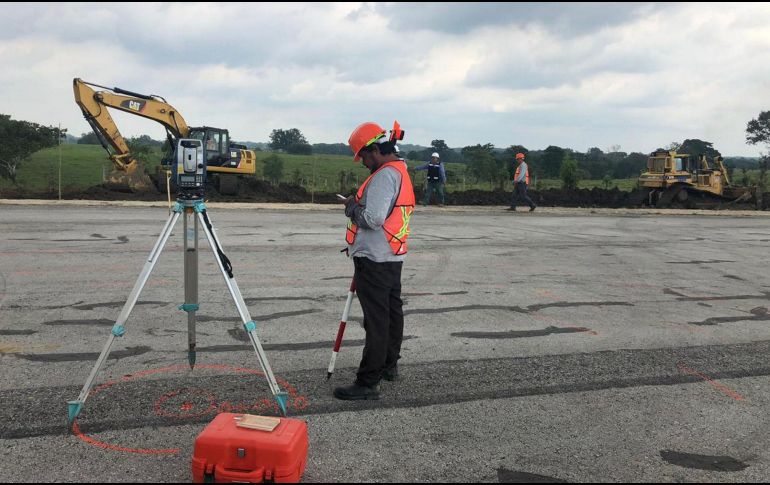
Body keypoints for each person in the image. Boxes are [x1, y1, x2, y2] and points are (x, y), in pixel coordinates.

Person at [335, 121, 415, 401]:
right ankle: (389, 365)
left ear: (375, 150)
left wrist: (351, 208)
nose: (364, 163)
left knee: (377, 321)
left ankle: (368, 381)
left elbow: (372, 219)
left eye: (364, 156)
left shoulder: (384, 176)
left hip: (376, 260)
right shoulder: (401, 170)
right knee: (391, 315)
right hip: (392, 255)